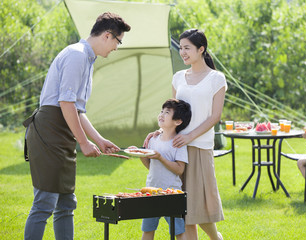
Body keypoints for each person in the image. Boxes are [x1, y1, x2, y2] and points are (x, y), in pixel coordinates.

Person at [23, 12, 131, 240]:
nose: (116, 48)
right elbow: (65, 102)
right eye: (118, 41)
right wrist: (83, 142)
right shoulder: (77, 55)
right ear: (107, 35)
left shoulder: (87, 59)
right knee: (45, 202)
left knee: (66, 203)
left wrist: (99, 140)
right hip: (49, 131)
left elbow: (78, 110)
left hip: (61, 131)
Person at [145, 29, 226, 240]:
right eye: (180, 47)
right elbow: (174, 112)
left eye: (187, 48)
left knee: (197, 205)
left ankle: (216, 237)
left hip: (199, 148)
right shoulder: (178, 77)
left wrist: (190, 137)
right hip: (176, 147)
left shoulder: (216, 78)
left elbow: (215, 116)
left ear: (201, 49)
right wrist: (163, 131)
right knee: (183, 208)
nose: (182, 52)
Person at [140, 98, 191, 240]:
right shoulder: (152, 140)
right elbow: (150, 166)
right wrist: (140, 153)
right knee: (148, 230)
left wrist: (161, 158)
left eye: (167, 112)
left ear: (178, 121)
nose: (161, 115)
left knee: (178, 231)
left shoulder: (178, 143)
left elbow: (180, 169)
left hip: (172, 193)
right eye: (161, 111)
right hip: (151, 191)